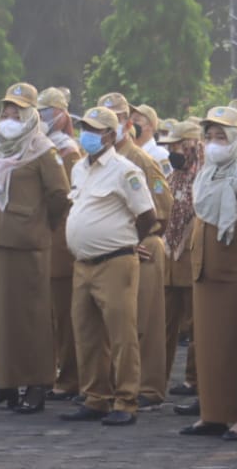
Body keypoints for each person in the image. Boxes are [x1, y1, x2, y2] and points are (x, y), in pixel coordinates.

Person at [0, 84, 71, 414]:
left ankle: (37, 384)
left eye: (17, 113)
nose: (10, 118)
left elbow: (59, 196)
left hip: (25, 244)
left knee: (30, 317)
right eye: (6, 112)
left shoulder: (43, 150)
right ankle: (5, 383)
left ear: (31, 116)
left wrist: (39, 225)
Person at [60, 104, 157, 426]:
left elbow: (147, 215)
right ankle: (95, 397)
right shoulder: (78, 168)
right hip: (83, 263)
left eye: (94, 129)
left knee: (121, 335)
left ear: (111, 135)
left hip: (115, 260)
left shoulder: (124, 170)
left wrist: (130, 242)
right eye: (84, 127)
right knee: (86, 333)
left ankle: (126, 400)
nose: (86, 134)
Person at [180, 105, 237, 442]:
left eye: (222, 136)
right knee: (209, 348)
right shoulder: (206, 174)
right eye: (210, 136)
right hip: (208, 276)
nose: (214, 143)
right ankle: (214, 414)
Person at [121, 102, 172, 410]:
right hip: (119, 247)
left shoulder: (143, 160)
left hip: (143, 245)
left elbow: (163, 207)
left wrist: (142, 237)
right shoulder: (103, 160)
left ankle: (149, 386)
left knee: (147, 319)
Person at [38, 87, 82, 401]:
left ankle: (69, 376)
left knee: (65, 315)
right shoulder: (41, 147)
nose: (41, 118)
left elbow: (64, 198)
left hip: (61, 239)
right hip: (43, 239)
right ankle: (55, 371)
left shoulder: (68, 151)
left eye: (46, 112)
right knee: (49, 314)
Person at [161, 119, 202, 400]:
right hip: (169, 256)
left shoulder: (204, 176)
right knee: (164, 322)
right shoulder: (172, 175)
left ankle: (194, 379)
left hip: (192, 256)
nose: (174, 151)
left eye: (178, 145)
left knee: (196, 323)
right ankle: (155, 380)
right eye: (171, 146)